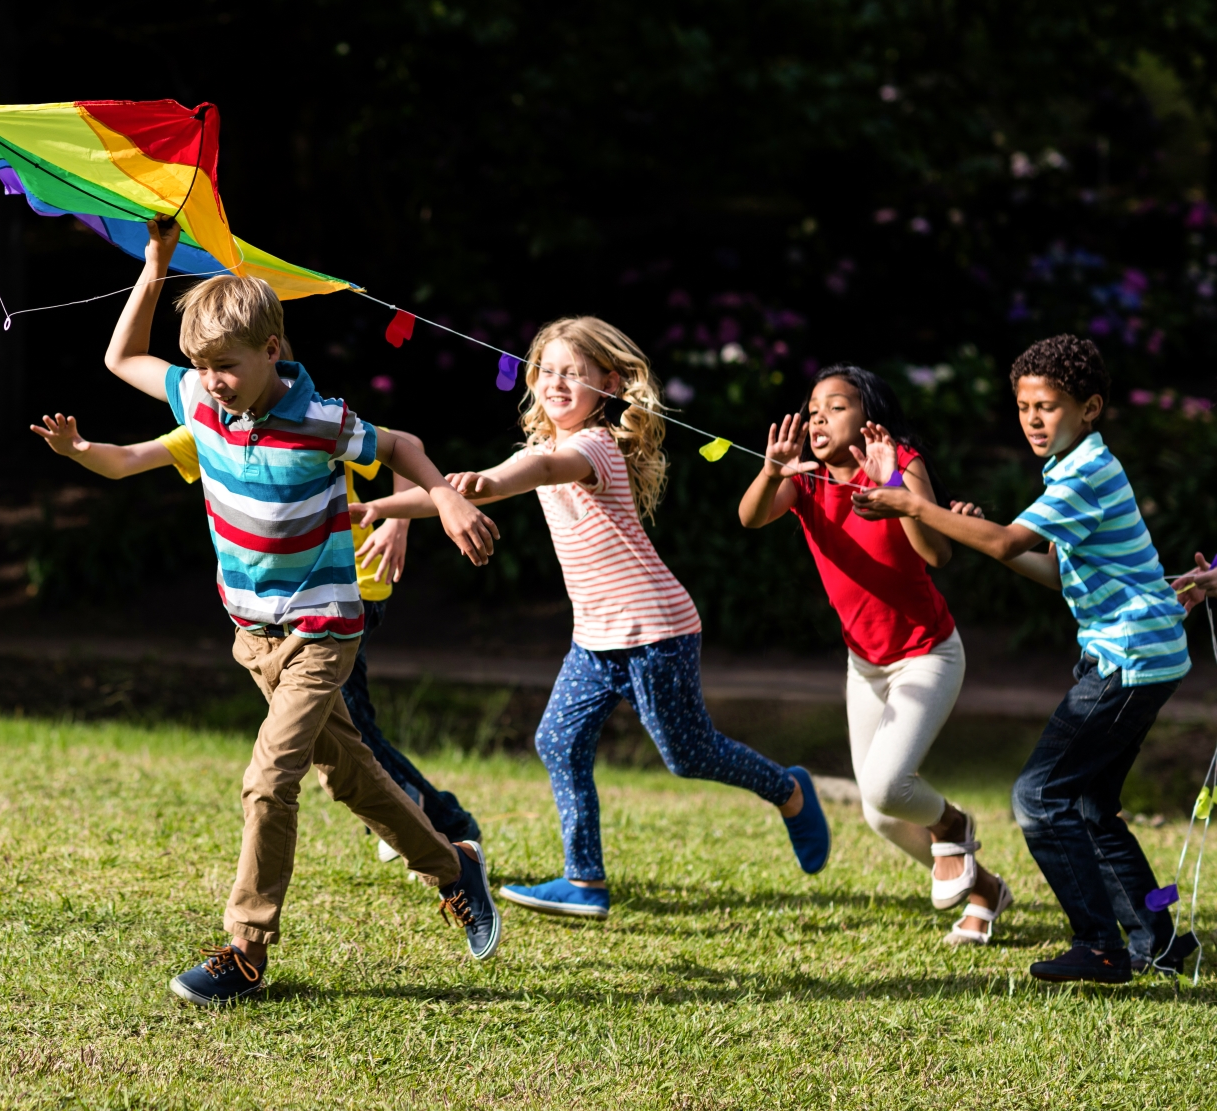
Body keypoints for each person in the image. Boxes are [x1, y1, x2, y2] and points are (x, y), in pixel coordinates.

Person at [102, 218, 504, 1007]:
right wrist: (153, 265)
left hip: (324, 630)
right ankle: (456, 868)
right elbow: (120, 359)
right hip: (255, 635)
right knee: (350, 776)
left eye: (227, 365)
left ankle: (245, 950)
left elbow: (403, 444)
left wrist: (446, 500)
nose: (211, 379)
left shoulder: (322, 420)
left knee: (267, 781)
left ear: (272, 348)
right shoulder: (199, 399)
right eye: (201, 365)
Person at [357, 315, 831, 923]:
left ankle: (789, 790)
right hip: (597, 637)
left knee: (687, 755)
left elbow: (526, 476)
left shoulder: (590, 447)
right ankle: (585, 881)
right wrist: (375, 505)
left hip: (655, 629)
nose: (556, 383)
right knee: (557, 740)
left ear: (608, 384)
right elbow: (466, 489)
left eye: (572, 374)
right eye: (546, 372)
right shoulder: (548, 446)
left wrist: (487, 481)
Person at [855, 334, 1197, 983]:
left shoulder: (1086, 469)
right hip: (1143, 651)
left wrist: (911, 503)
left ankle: (1099, 945)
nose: (1034, 419)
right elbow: (1047, 565)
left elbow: (1012, 538)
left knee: (1040, 796)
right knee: (1091, 802)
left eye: (1049, 406)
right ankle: (1160, 936)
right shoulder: (1073, 467)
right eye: (1024, 406)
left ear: (1089, 408)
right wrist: (979, 533)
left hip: (1128, 655)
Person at [27, 409, 484, 849]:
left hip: (346, 589)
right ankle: (430, 817)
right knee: (342, 730)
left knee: (344, 728)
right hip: (280, 607)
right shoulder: (208, 425)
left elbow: (407, 445)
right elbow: (128, 459)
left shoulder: (311, 420)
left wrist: (397, 523)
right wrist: (80, 449)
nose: (216, 384)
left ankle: (439, 822)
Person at [737, 366, 1011, 945]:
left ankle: (954, 825)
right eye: (813, 409)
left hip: (927, 654)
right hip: (864, 664)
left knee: (888, 785)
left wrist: (898, 495)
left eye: (835, 407)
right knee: (880, 812)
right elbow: (750, 516)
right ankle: (983, 885)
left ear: (868, 417)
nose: (818, 418)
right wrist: (770, 472)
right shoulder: (804, 480)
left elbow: (937, 554)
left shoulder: (899, 462)